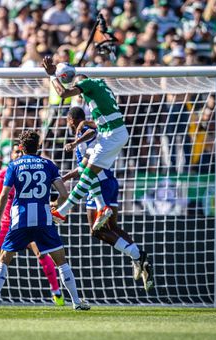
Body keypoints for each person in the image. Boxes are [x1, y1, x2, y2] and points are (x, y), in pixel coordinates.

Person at [0, 130, 89, 311]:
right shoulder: (48, 164)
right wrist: (55, 204)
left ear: (21, 147)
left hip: (20, 220)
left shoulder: (14, 165)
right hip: (43, 219)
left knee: (3, 259)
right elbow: (64, 194)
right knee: (61, 261)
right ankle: (77, 302)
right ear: (38, 146)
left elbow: (4, 194)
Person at [62, 107, 153, 291]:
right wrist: (65, 178)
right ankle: (138, 257)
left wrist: (75, 142)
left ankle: (136, 255)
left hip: (99, 185)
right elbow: (84, 166)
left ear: (71, 120)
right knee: (112, 228)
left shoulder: (82, 131)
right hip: (109, 182)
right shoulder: (93, 135)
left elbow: (90, 133)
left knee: (96, 231)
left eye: (67, 120)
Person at [43, 56, 128, 231]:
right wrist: (88, 123)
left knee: (87, 173)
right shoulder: (102, 89)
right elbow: (103, 119)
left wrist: (52, 75)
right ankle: (102, 206)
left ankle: (63, 211)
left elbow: (63, 94)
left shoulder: (88, 83)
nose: (79, 93)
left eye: (79, 90)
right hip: (110, 134)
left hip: (111, 135)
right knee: (86, 169)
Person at [0, 145, 64, 308]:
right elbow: (1, 198)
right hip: (8, 221)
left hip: (26, 219)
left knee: (42, 255)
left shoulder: (27, 171)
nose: (18, 154)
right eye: (15, 152)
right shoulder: (3, 174)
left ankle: (56, 293)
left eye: (20, 151)